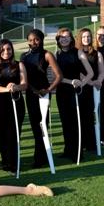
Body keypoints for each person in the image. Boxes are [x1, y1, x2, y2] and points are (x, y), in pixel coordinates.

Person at [20, 29, 62, 168]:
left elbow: (59, 76)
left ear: (41, 40)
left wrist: (48, 90)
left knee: (43, 125)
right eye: (31, 40)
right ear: (27, 41)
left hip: (44, 94)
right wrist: (32, 90)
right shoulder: (24, 56)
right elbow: (23, 78)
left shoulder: (47, 54)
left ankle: (41, 157)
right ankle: (40, 156)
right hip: (31, 94)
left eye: (36, 39)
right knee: (34, 126)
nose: (34, 42)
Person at [0, 39, 27, 173]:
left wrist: (16, 87)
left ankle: (14, 162)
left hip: (16, 102)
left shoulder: (19, 65)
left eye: (9, 49)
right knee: (2, 134)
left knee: (14, 133)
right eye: (3, 49)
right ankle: (5, 162)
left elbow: (25, 84)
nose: (6, 52)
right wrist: (6, 89)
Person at [55, 28, 93, 163]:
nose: (64, 39)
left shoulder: (78, 52)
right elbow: (57, 77)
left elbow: (90, 73)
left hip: (75, 93)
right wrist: (70, 81)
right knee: (65, 122)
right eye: (61, 37)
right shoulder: (56, 54)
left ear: (71, 39)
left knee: (75, 123)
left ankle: (77, 152)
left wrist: (82, 83)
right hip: (62, 91)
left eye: (67, 37)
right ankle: (68, 150)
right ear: (58, 40)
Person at [76, 28, 104, 151]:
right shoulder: (76, 53)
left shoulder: (97, 53)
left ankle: (92, 143)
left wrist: (98, 81)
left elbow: (102, 72)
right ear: (80, 38)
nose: (86, 39)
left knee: (91, 117)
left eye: (88, 37)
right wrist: (89, 82)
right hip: (81, 87)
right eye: (84, 37)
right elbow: (78, 71)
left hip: (93, 89)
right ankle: (80, 144)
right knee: (80, 116)